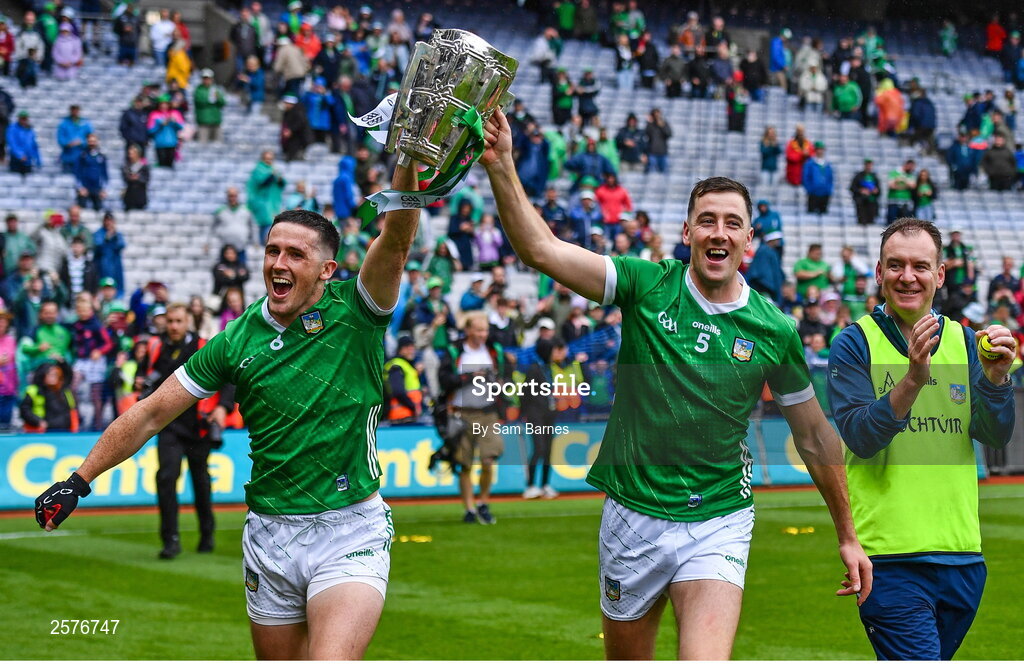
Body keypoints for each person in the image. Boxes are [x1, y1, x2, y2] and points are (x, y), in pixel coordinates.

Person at [479, 109, 871, 659]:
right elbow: (541, 251)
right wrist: (502, 166)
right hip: (632, 514)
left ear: (749, 241)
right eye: (707, 220)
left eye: (733, 222)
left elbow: (814, 436)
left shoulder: (774, 329)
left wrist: (848, 534)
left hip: (718, 515)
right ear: (687, 233)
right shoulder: (646, 284)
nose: (719, 232)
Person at [35, 159, 422, 657]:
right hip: (269, 534)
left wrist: (408, 161)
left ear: (327, 269)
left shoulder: (359, 311)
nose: (278, 264)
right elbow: (152, 412)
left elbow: (396, 239)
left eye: (296, 255)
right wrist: (78, 479)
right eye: (272, 251)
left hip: (350, 529)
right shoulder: (235, 340)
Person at [827, 218, 1015, 660]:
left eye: (919, 266)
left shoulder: (966, 341)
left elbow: (994, 434)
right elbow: (860, 437)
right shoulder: (854, 344)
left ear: (940, 275)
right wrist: (913, 380)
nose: (907, 276)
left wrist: (997, 379)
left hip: (963, 558)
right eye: (895, 266)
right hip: (890, 562)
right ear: (878, 273)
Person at [138, 303, 232, 558]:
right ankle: (170, 540)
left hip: (198, 426)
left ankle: (207, 533)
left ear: (188, 321)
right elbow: (142, 377)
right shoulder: (157, 347)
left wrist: (222, 408)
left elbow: (228, 379)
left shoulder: (204, 345)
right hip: (169, 425)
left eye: (179, 321)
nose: (174, 326)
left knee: (200, 480)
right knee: (166, 478)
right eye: (170, 321)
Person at [438, 312, 509, 525]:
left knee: (488, 460)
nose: (482, 334)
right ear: (468, 330)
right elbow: (444, 381)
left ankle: (483, 503)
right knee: (464, 464)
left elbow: (503, 376)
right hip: (461, 412)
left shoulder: (494, 351)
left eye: (485, 330)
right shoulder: (454, 351)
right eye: (478, 330)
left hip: (488, 412)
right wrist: (470, 377)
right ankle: (469, 508)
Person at [247, 150, 286, 245]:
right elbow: (261, 182)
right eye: (267, 159)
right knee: (265, 228)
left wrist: (279, 179)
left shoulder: (274, 169)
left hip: (273, 204)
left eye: (271, 159)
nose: (269, 161)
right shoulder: (258, 170)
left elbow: (282, 184)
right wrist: (271, 175)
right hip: (262, 203)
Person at [383, 335, 423, 422]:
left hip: (406, 416)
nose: (411, 350)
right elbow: (398, 391)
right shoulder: (396, 365)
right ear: (400, 349)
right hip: (400, 417)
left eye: (412, 347)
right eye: (407, 347)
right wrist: (413, 406)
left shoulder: (406, 365)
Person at [73, 134, 108, 211]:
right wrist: (80, 187)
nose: (92, 143)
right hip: (84, 188)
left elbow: (104, 173)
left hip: (97, 188)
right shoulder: (82, 156)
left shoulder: (101, 156)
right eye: (90, 141)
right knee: (82, 210)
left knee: (99, 210)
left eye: (94, 141)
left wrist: (104, 189)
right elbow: (77, 172)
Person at [57, 104, 92, 174]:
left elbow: (91, 137)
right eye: (73, 109)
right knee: (67, 179)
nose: (75, 112)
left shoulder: (85, 123)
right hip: (68, 157)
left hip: (82, 156)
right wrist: (68, 143)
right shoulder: (64, 123)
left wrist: (82, 142)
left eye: (76, 110)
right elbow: (60, 139)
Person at [194, 69, 226, 143]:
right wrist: (211, 98)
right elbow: (200, 101)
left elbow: (222, 102)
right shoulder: (198, 90)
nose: (207, 80)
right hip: (203, 122)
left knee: (218, 145)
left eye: (208, 78)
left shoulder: (216, 89)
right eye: (205, 78)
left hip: (216, 121)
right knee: (202, 145)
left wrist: (218, 98)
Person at [802, 142, 833, 214]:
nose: (820, 151)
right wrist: (810, 189)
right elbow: (806, 178)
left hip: (825, 193)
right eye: (818, 149)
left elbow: (830, 178)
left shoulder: (827, 164)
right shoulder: (810, 163)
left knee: (824, 213)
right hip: (813, 193)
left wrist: (829, 189)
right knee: (811, 214)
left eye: (822, 149)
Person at [7, 110, 41, 176]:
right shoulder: (12, 128)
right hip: (16, 159)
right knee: (15, 179)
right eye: (22, 118)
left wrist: (38, 158)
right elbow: (12, 143)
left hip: (28, 160)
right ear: (19, 119)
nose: (24, 120)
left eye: (25, 118)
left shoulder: (29, 130)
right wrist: (20, 155)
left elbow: (33, 145)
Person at [850, 158, 881, 225]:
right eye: (867, 164)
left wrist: (875, 191)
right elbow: (852, 188)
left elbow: (879, 190)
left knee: (871, 220)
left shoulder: (874, 176)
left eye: (870, 165)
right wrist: (861, 191)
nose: (869, 166)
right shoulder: (858, 176)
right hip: (861, 202)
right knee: (862, 220)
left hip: (872, 202)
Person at [121, 143, 149, 211]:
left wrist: (138, 178)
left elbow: (146, 179)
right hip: (129, 196)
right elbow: (125, 177)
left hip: (140, 196)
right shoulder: (126, 166)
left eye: (132, 153)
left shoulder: (143, 166)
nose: (130, 155)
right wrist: (130, 178)